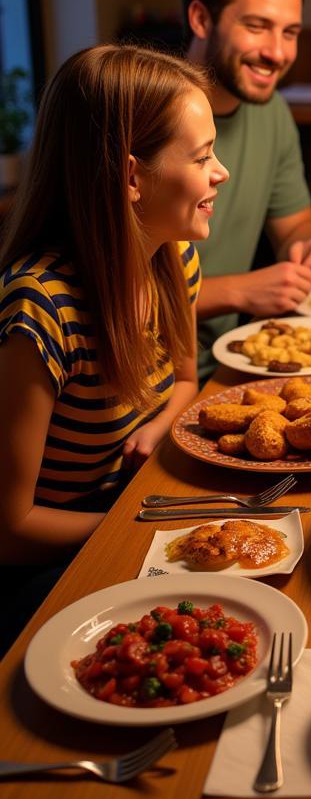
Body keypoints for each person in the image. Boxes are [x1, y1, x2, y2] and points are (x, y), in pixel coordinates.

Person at [0, 44, 227, 648]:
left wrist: (157, 427)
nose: (220, 172)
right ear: (132, 176)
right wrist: (130, 529)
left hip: (126, 510)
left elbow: (184, 382)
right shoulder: (42, 308)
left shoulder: (174, 258)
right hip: (43, 565)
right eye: (203, 156)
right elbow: (10, 526)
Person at [183, 0, 311, 377]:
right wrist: (239, 291)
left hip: (232, 362)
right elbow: (108, 300)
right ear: (201, 19)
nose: (277, 52)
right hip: (140, 384)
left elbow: (296, 223)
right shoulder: (141, 116)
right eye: (257, 26)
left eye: (289, 32)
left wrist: (308, 248)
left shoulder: (273, 113)